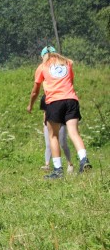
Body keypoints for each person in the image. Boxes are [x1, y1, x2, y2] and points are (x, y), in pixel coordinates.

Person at [27, 46, 92, 179]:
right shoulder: (67, 63)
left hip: (54, 102)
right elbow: (71, 82)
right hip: (71, 100)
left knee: (53, 136)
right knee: (74, 132)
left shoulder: (42, 67)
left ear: (43, 56)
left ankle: (58, 170)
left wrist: (30, 105)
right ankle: (84, 160)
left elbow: (35, 91)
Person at [40, 94, 74, 173]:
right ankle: (47, 165)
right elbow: (44, 112)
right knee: (48, 145)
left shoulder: (61, 96)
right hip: (48, 123)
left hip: (61, 123)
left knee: (63, 144)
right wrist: (44, 124)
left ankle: (70, 164)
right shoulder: (44, 98)